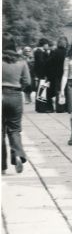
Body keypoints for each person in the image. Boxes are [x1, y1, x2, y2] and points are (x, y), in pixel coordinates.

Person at [2, 34, 31, 173]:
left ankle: (2, 165)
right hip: (15, 95)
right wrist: (19, 88)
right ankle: (18, 154)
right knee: (14, 129)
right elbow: (27, 81)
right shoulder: (22, 61)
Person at [47, 36, 68, 113]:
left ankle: (60, 107)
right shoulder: (67, 52)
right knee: (66, 90)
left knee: (58, 90)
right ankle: (66, 107)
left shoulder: (54, 52)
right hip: (66, 74)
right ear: (65, 44)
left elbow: (49, 63)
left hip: (57, 74)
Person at [33, 38, 52, 112]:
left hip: (40, 73)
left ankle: (39, 107)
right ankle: (41, 108)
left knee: (41, 89)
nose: (48, 46)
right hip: (42, 73)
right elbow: (42, 63)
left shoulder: (38, 51)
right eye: (47, 45)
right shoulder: (40, 52)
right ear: (44, 44)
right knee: (42, 90)